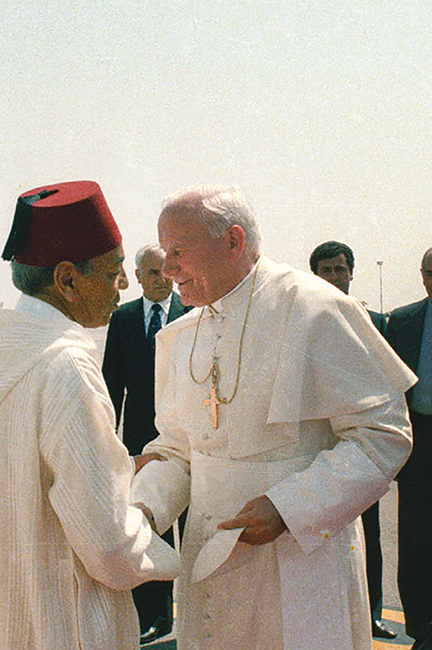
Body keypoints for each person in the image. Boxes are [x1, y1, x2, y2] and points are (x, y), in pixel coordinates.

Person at [131, 185, 415, 650]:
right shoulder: (182, 333)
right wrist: (143, 509)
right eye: (165, 253)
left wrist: (290, 507)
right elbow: (179, 450)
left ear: (233, 241)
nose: (167, 268)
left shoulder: (314, 308)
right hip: (208, 558)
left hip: (298, 558)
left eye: (178, 251)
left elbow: (383, 435)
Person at [0, 181, 180, 650]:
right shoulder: (66, 366)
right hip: (63, 626)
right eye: (115, 270)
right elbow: (110, 546)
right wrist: (163, 529)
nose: (126, 285)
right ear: (68, 280)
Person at [101, 242, 189, 644]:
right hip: (140, 440)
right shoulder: (123, 319)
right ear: (137, 277)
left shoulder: (193, 315)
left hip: (188, 440)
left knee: (193, 524)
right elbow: (111, 384)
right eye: (151, 273)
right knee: (147, 525)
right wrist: (111, 444)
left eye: (165, 271)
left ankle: (192, 612)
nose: (160, 279)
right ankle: (156, 615)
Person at [310, 239, 394, 639]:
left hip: (361, 450)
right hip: (321, 451)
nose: (332, 277)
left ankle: (372, 610)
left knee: (370, 535)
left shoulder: (377, 322)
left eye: (339, 270)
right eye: (324, 271)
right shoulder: (303, 325)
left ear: (351, 274)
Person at [383, 246, 432, 650]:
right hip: (419, 444)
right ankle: (421, 628)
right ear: (421, 275)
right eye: (431, 272)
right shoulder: (402, 321)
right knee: (416, 545)